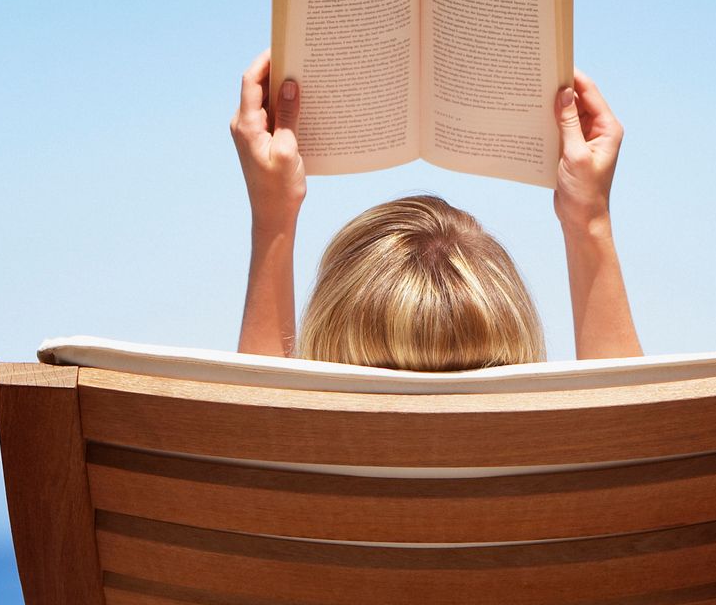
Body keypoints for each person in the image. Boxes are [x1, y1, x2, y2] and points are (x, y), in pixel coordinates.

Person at [229, 51, 642, 368]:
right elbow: (627, 430)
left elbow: (257, 422)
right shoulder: (580, 470)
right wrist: (588, 223)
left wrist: (273, 223)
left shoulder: (285, 468)